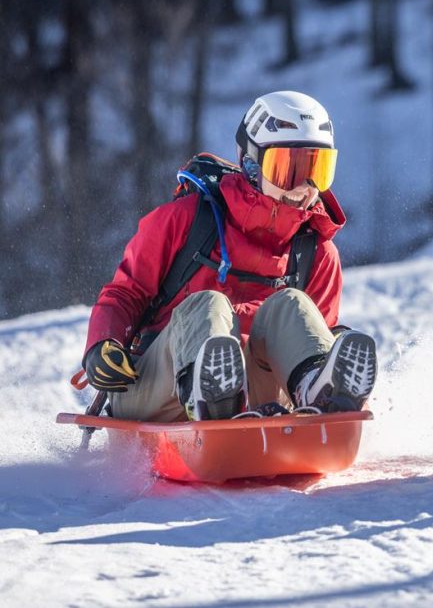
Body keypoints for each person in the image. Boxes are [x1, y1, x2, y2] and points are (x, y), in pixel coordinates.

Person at [82, 91, 378, 421]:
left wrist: (329, 345)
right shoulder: (184, 220)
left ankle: (319, 390)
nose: (303, 187)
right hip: (157, 390)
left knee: (292, 304)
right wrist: (102, 344)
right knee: (208, 304)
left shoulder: (316, 252)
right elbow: (126, 292)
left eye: (317, 170)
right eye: (288, 169)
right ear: (252, 164)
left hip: (259, 395)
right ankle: (209, 396)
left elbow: (312, 332)